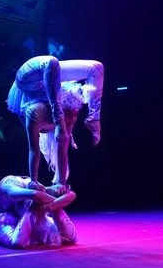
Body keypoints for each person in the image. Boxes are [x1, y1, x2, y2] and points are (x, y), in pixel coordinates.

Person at [7, 56, 104, 192]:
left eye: (75, 115)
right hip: (28, 82)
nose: (72, 119)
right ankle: (88, 119)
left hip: (43, 85)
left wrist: (61, 183)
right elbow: (33, 149)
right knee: (52, 62)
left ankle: (93, 118)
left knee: (97, 68)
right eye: (69, 115)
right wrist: (34, 181)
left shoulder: (66, 113)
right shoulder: (37, 112)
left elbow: (62, 150)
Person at [0, 175, 78, 249]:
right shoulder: (8, 189)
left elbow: (71, 194)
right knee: (17, 242)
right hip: (5, 219)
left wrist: (50, 206)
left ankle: (36, 211)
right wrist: (55, 204)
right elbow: (35, 195)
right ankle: (32, 211)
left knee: (69, 238)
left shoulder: (38, 188)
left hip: (31, 199)